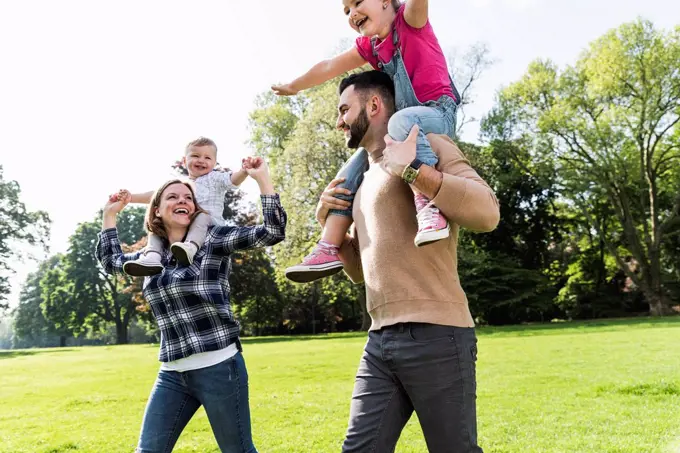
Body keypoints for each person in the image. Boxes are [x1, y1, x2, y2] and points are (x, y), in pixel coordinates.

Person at [315, 71, 499, 452]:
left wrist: (415, 171)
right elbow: (363, 274)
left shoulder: (426, 144)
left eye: (344, 109)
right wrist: (332, 232)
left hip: (438, 334)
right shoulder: (362, 181)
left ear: (375, 105)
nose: (339, 121)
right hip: (380, 340)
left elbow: (487, 213)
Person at [96, 158, 286, 453]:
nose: (182, 200)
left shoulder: (214, 239)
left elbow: (272, 233)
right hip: (172, 373)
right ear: (157, 210)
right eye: (172, 197)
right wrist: (109, 216)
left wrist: (263, 181)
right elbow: (112, 261)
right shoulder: (150, 258)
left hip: (220, 367)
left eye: (188, 198)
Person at [275, 0, 461, 283]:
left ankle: (428, 206)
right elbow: (329, 66)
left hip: (437, 113)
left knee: (400, 120)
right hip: (403, 127)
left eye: (358, 2)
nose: (352, 13)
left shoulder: (410, 21)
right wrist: (296, 86)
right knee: (349, 170)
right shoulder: (369, 47)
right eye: (347, 10)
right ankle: (328, 246)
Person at [121, 136, 250, 277]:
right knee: (158, 225)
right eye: (195, 155)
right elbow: (156, 196)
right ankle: (152, 257)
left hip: (209, 226)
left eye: (207, 158)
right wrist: (131, 198)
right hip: (183, 225)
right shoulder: (181, 184)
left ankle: (190, 247)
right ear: (184, 161)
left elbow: (233, 180)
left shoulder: (215, 178)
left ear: (214, 163)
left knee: (202, 215)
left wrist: (244, 171)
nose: (201, 160)